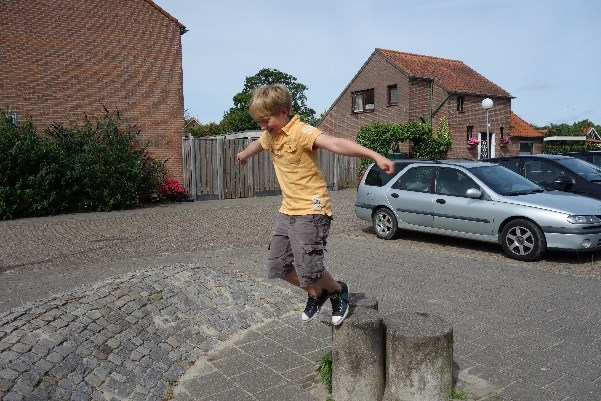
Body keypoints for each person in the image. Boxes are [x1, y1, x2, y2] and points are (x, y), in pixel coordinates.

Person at [236, 84, 395, 326]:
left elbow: (337, 144)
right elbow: (257, 144)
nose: (263, 126)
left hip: (312, 209)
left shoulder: (302, 132)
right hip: (287, 210)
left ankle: (338, 290)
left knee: (309, 267)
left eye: (266, 120)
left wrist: (375, 155)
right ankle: (316, 293)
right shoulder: (270, 136)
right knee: (278, 266)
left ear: (283, 111)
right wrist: (244, 155)